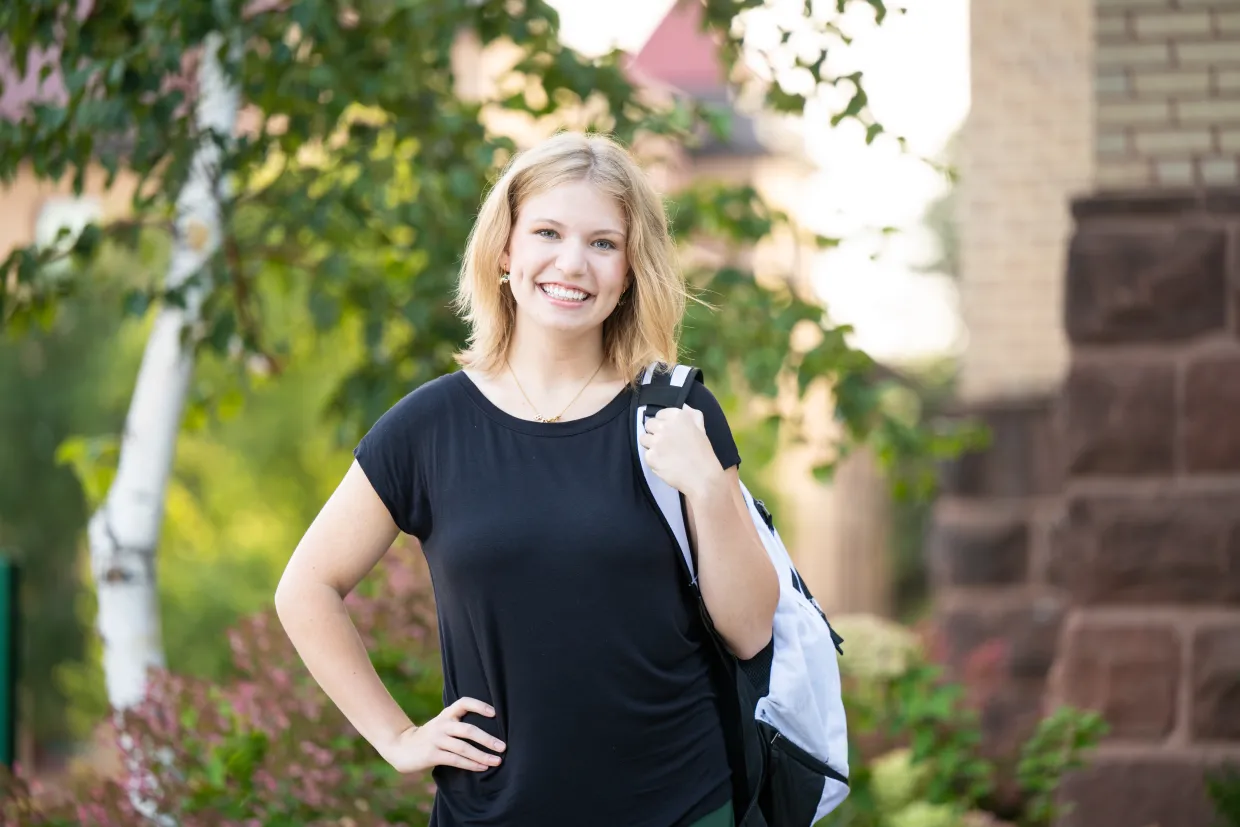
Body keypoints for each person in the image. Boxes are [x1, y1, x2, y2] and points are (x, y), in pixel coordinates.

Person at [274, 131, 779, 827]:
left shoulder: (677, 412)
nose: (572, 263)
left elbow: (749, 631)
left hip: (681, 808)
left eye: (603, 243)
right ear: (505, 250)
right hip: (493, 812)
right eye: (547, 232)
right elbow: (305, 589)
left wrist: (712, 489)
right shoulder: (429, 427)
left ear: (630, 270)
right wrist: (396, 737)